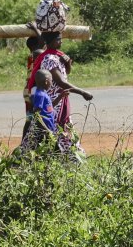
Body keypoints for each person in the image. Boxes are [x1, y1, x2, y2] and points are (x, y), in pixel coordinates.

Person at [26, 31, 93, 160]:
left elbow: (64, 73)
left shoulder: (56, 56)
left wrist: (67, 63)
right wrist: (82, 92)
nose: (61, 41)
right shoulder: (50, 59)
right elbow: (61, 82)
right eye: (58, 39)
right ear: (51, 41)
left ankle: (70, 155)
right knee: (57, 128)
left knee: (60, 128)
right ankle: (72, 156)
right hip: (54, 100)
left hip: (58, 98)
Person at [19, 69, 58, 153]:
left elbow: (50, 106)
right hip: (44, 129)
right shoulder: (39, 95)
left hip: (48, 128)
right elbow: (37, 113)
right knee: (48, 149)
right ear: (47, 81)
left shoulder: (43, 93)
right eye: (51, 81)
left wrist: (61, 96)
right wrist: (45, 129)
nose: (52, 83)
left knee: (49, 149)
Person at [23, 35, 44, 114]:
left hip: (28, 89)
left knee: (30, 117)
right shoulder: (35, 55)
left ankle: (29, 126)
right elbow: (43, 41)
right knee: (35, 115)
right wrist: (36, 28)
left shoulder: (32, 56)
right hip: (32, 89)